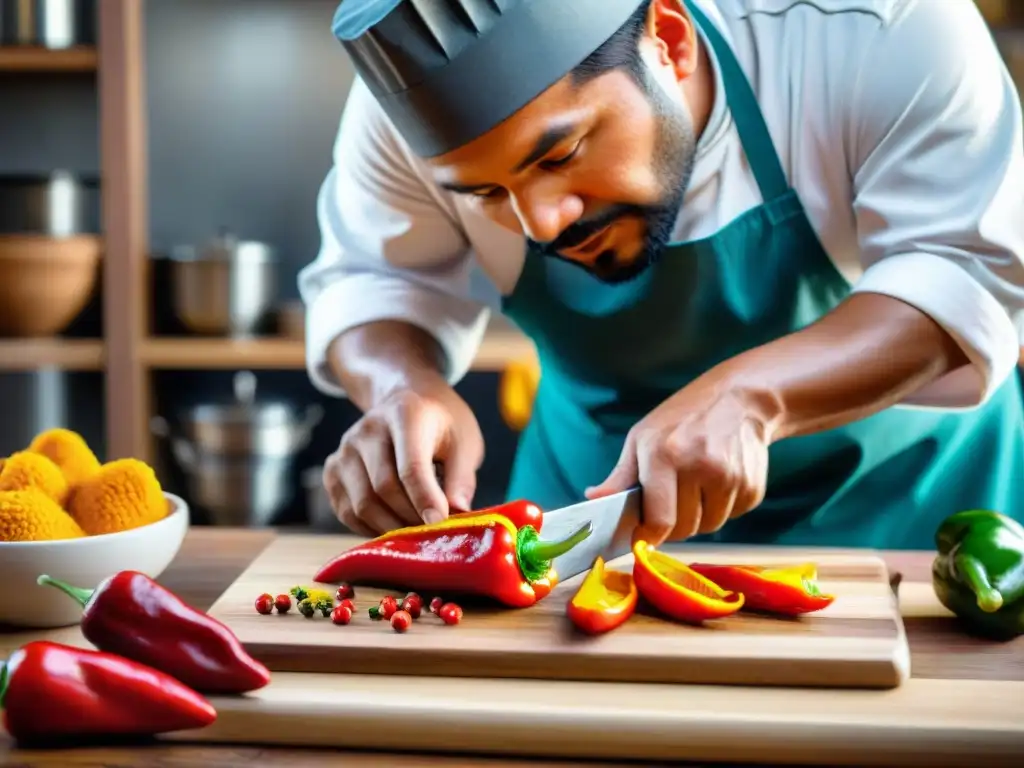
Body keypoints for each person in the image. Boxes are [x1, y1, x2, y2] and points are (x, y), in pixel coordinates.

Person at [298, 0, 1024, 550]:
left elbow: (964, 269)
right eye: (486, 193)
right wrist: (403, 387)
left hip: (912, 520)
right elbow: (373, 281)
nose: (541, 222)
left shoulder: (878, 28)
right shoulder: (401, 121)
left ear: (670, 41)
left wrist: (751, 395)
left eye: (559, 155)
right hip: (598, 533)